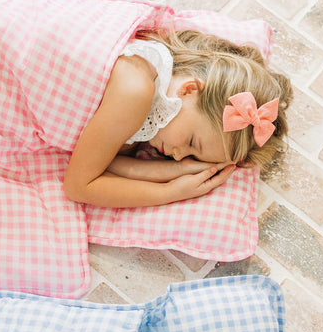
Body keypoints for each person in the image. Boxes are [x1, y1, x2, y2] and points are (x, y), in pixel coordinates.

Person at [63, 29, 293, 208]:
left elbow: (103, 162)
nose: (178, 154)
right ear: (189, 89)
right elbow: (78, 186)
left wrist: (181, 170)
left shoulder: (158, 102)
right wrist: (170, 192)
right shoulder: (136, 89)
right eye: (192, 143)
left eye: (191, 155)